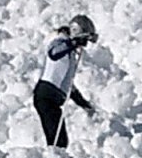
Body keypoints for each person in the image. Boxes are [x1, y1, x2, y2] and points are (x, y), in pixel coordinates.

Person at [32, 14, 98, 146]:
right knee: (57, 142)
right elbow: (54, 53)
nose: (84, 45)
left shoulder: (70, 53)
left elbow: (68, 86)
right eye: (83, 40)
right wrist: (73, 43)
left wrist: (84, 104)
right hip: (46, 96)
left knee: (61, 141)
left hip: (54, 100)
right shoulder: (60, 42)